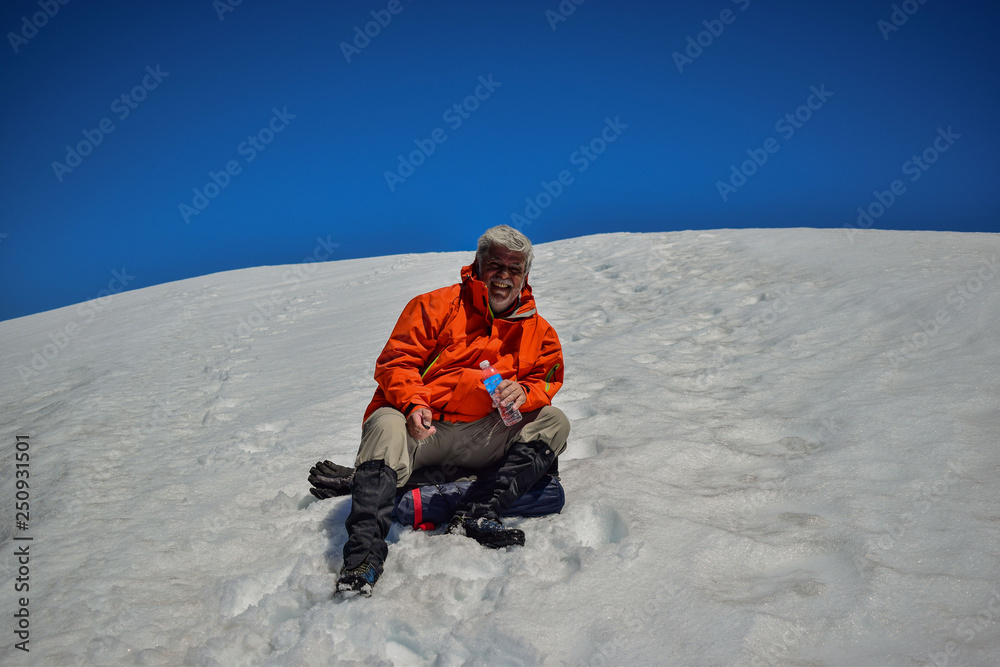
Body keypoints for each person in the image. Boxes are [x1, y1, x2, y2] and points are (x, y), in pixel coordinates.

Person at [335, 225, 569, 596]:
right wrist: (413, 402)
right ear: (478, 264)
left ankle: (476, 512)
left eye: (514, 269)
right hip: (423, 430)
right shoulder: (434, 305)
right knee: (385, 423)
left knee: (553, 421)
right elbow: (396, 363)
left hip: (482, 435)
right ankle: (363, 557)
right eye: (495, 265)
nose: (503, 277)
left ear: (525, 276)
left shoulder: (540, 333)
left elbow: (549, 379)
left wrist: (525, 393)